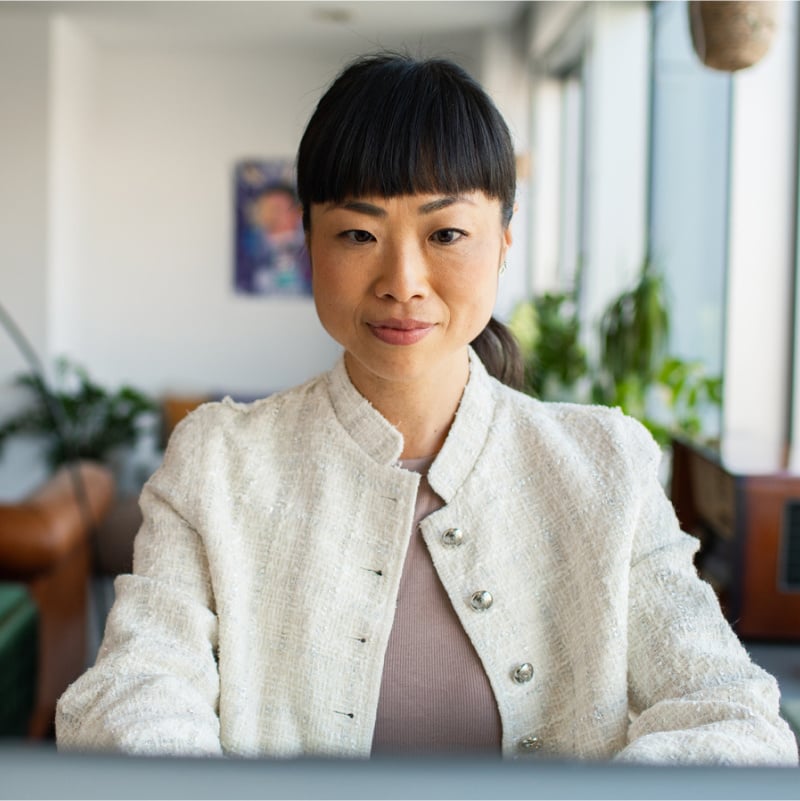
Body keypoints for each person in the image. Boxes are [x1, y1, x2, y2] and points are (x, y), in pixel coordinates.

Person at [56, 53, 798, 765]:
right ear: (308, 246)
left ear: (502, 244)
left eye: (446, 233)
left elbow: (732, 717)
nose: (403, 281)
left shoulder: (606, 464)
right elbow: (135, 692)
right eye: (357, 233)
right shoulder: (218, 459)